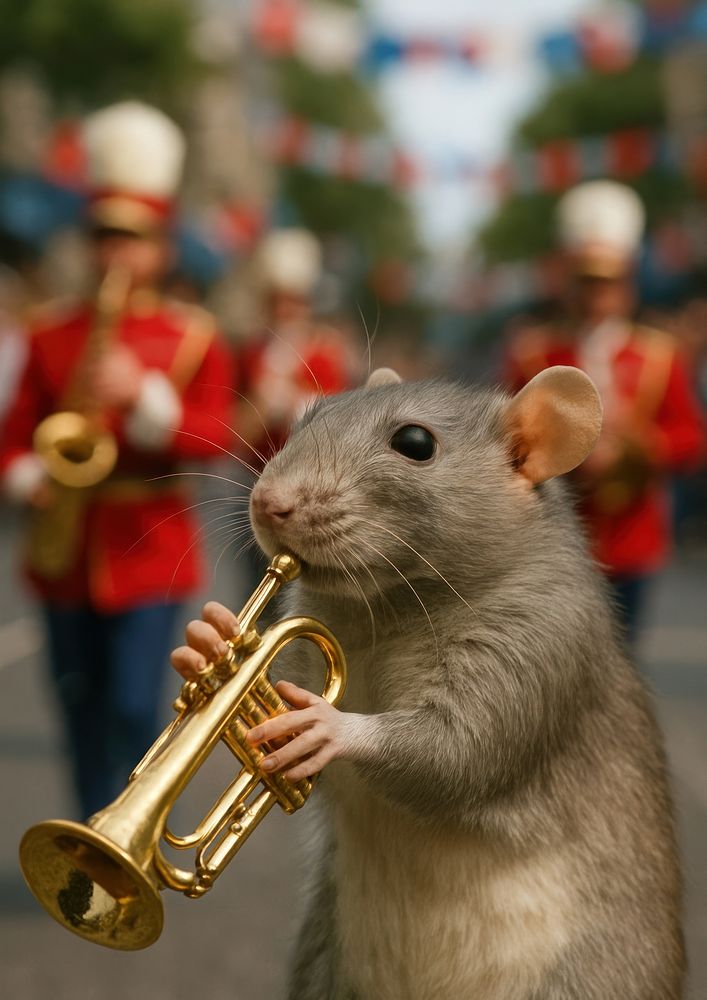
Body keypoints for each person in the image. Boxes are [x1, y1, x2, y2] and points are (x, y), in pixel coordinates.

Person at [0, 101, 234, 819]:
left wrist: (146, 399)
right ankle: (89, 825)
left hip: (149, 546)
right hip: (64, 551)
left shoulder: (192, 336)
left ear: (160, 248)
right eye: (103, 237)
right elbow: (12, 436)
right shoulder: (50, 333)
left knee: (134, 701)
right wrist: (28, 473)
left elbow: (215, 439)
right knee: (77, 700)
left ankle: (126, 824)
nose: (115, 255)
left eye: (131, 240)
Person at [503, 180, 704, 644]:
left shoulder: (660, 356)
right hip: (555, 538)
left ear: (627, 282)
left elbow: (691, 439)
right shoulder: (533, 354)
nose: (599, 294)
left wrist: (638, 444)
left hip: (632, 536)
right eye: (589, 281)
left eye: (609, 281)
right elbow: (502, 443)